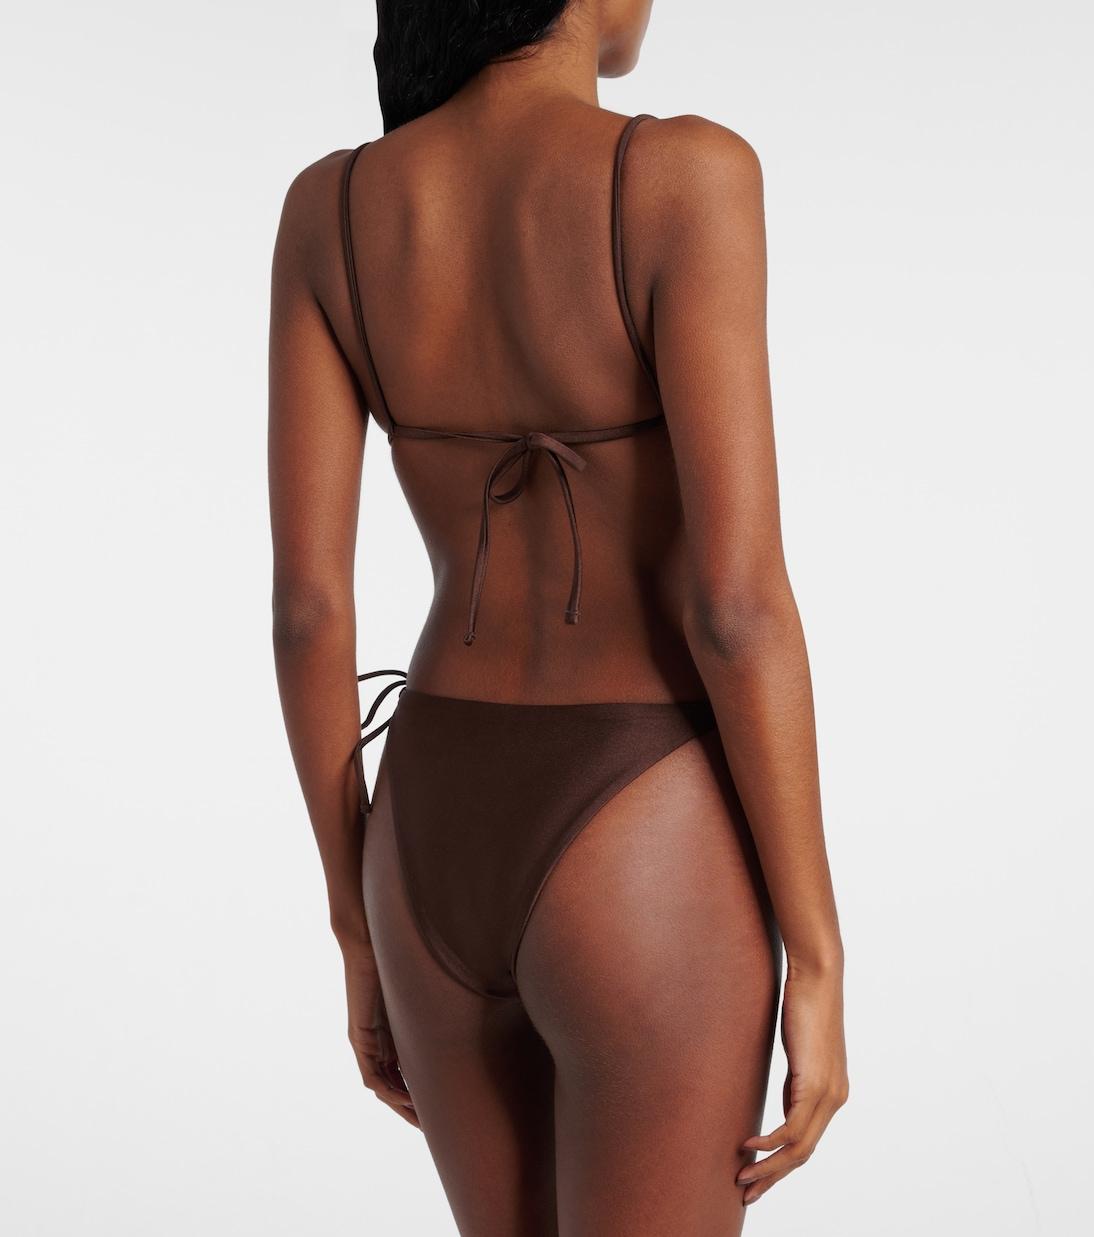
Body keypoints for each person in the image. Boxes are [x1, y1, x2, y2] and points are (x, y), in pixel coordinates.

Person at [268, 1, 847, 1230]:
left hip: (425, 826)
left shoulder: (331, 209)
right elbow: (734, 605)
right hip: (636, 820)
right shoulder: (682, 175)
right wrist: (817, 950)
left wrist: (355, 924)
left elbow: (309, 612)